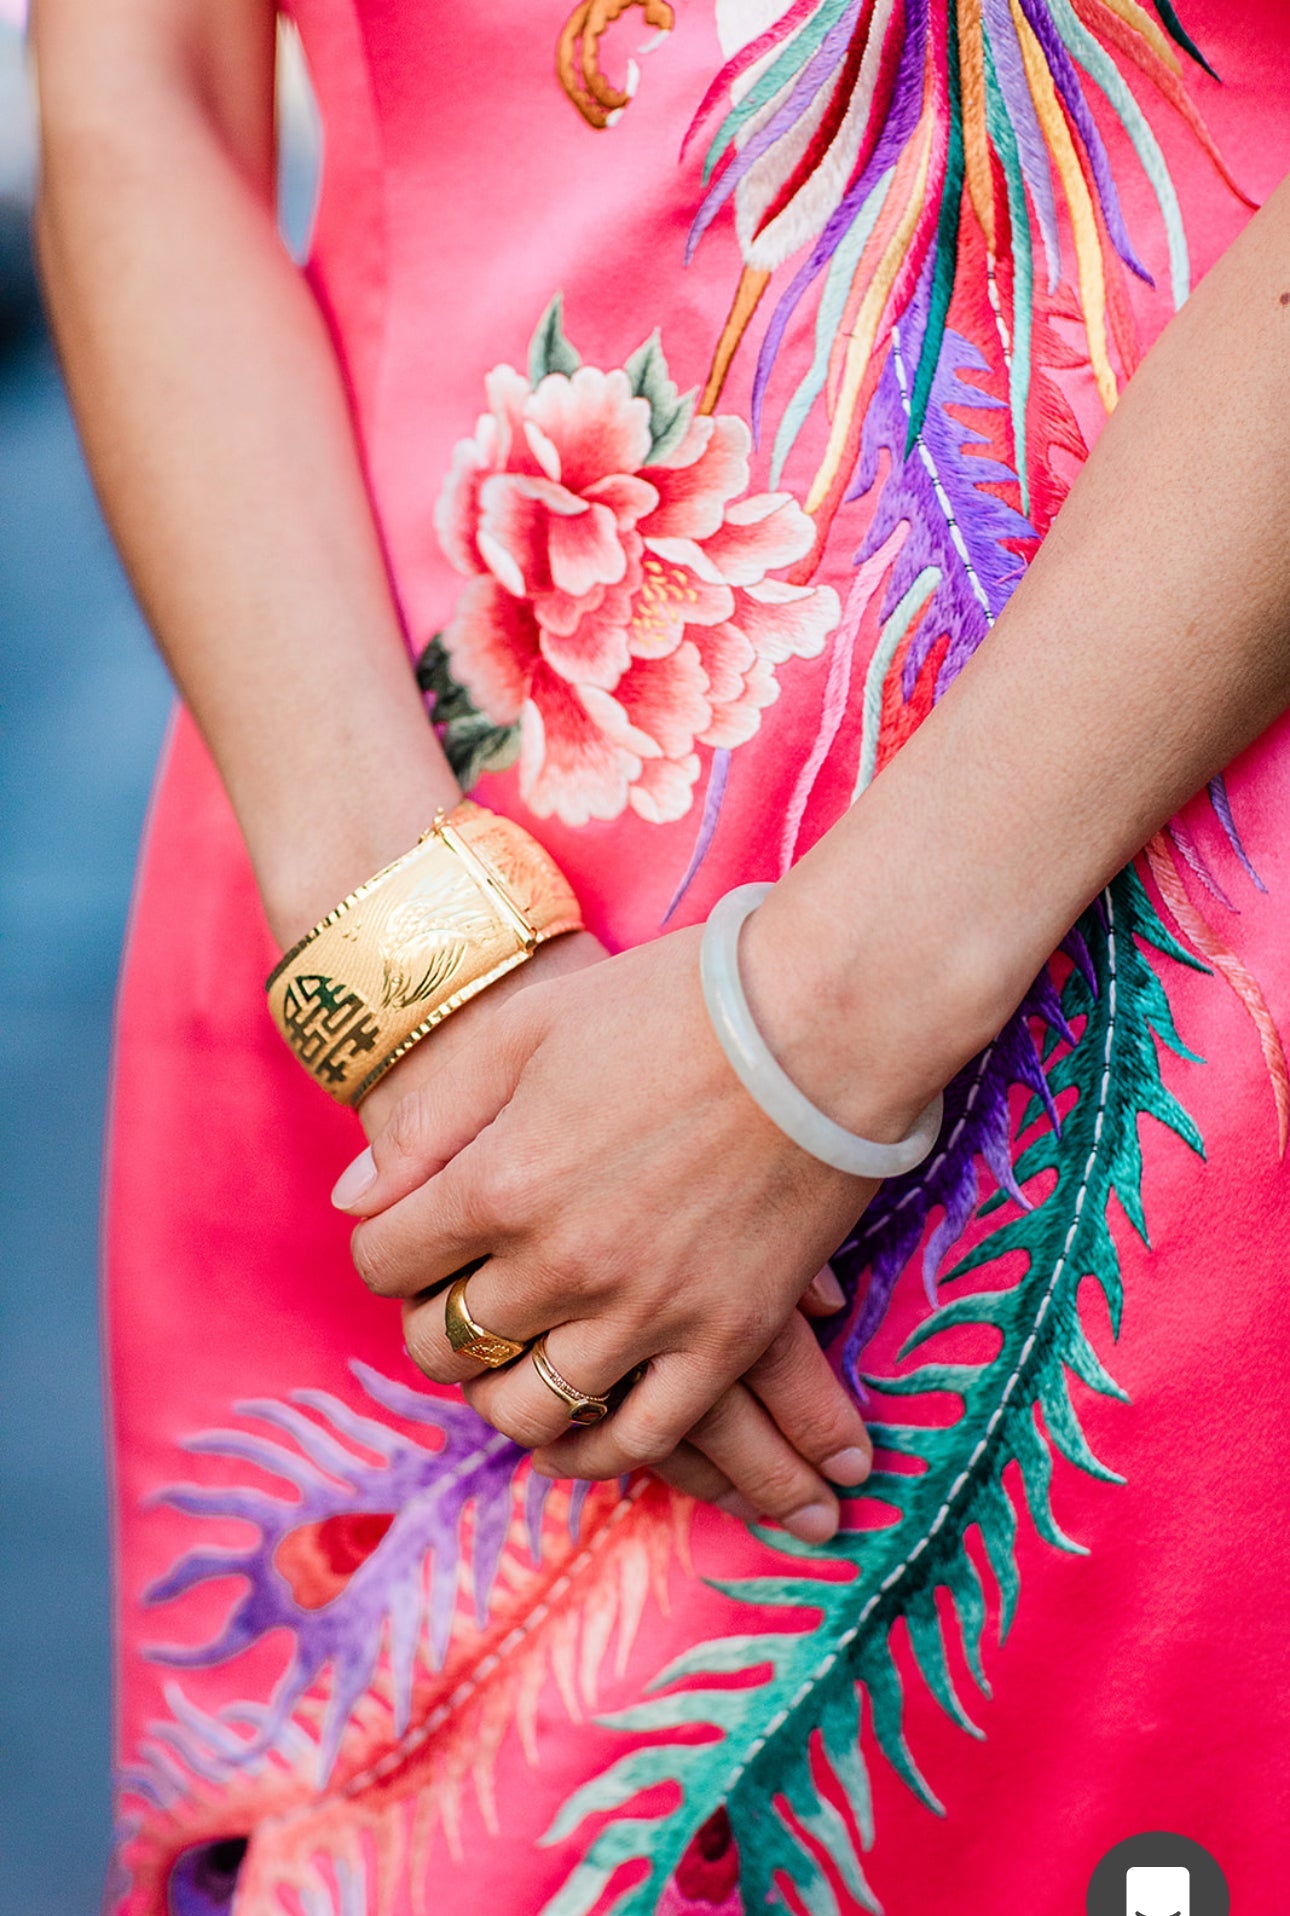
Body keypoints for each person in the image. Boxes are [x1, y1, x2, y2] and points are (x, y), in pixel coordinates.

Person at [31, 0, 1290, 1909]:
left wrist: (824, 1023)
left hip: (1198, 938)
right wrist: (422, 979)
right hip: (388, 879)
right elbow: (135, 87)